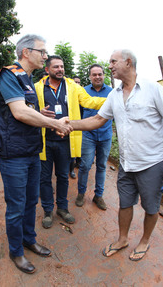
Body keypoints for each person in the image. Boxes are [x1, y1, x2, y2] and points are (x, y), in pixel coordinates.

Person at [68, 49, 163, 261]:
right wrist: (71, 125)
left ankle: (144, 240)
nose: (109, 66)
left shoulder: (153, 90)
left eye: (113, 61)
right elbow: (97, 120)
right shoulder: (114, 95)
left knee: (151, 207)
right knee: (125, 203)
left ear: (128, 62)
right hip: (126, 164)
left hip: (152, 163)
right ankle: (122, 239)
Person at [0, 34, 72, 274]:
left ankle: (29, 239)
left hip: (31, 150)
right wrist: (56, 124)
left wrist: (43, 116)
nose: (45, 56)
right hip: (13, 154)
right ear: (26, 52)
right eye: (42, 51)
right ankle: (16, 251)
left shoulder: (27, 79)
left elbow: (28, 111)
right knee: (16, 205)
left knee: (30, 201)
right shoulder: (8, 75)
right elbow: (19, 113)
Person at [35, 55, 106, 229]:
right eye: (56, 67)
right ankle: (47, 211)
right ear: (47, 70)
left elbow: (89, 101)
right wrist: (38, 111)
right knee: (44, 179)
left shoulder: (73, 86)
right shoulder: (38, 87)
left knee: (62, 177)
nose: (60, 69)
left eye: (62, 66)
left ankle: (63, 208)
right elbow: (27, 108)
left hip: (65, 140)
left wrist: (113, 101)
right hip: (44, 141)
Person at [75, 64, 113, 210]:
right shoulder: (83, 91)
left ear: (104, 75)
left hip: (105, 135)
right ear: (90, 76)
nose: (97, 77)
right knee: (85, 166)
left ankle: (98, 196)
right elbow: (77, 113)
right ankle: (81, 193)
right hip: (87, 135)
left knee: (102, 166)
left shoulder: (111, 92)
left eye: (100, 74)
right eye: (94, 74)